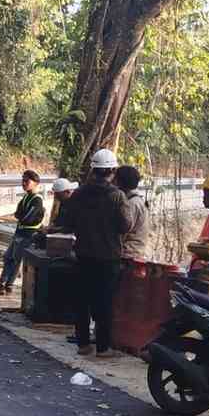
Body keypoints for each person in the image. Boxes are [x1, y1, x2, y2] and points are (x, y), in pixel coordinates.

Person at [62, 148, 133, 356]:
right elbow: (126, 226)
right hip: (108, 257)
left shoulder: (79, 193)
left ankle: (83, 344)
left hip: (83, 255)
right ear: (112, 170)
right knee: (104, 302)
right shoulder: (117, 196)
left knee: (82, 300)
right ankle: (103, 348)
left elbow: (68, 222)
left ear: (93, 169)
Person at [0, 170, 45, 295]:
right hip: (20, 232)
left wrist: (11, 217)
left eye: (26, 181)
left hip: (27, 234)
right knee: (8, 258)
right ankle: (2, 283)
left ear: (36, 183)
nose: (23, 183)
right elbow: (18, 214)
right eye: (23, 180)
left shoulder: (37, 200)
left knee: (15, 260)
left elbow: (26, 218)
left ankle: (6, 285)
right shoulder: (27, 197)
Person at [114, 165, 150, 262]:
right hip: (132, 253)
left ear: (119, 182)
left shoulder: (131, 204)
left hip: (128, 255)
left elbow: (123, 231)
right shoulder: (135, 200)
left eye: (115, 180)